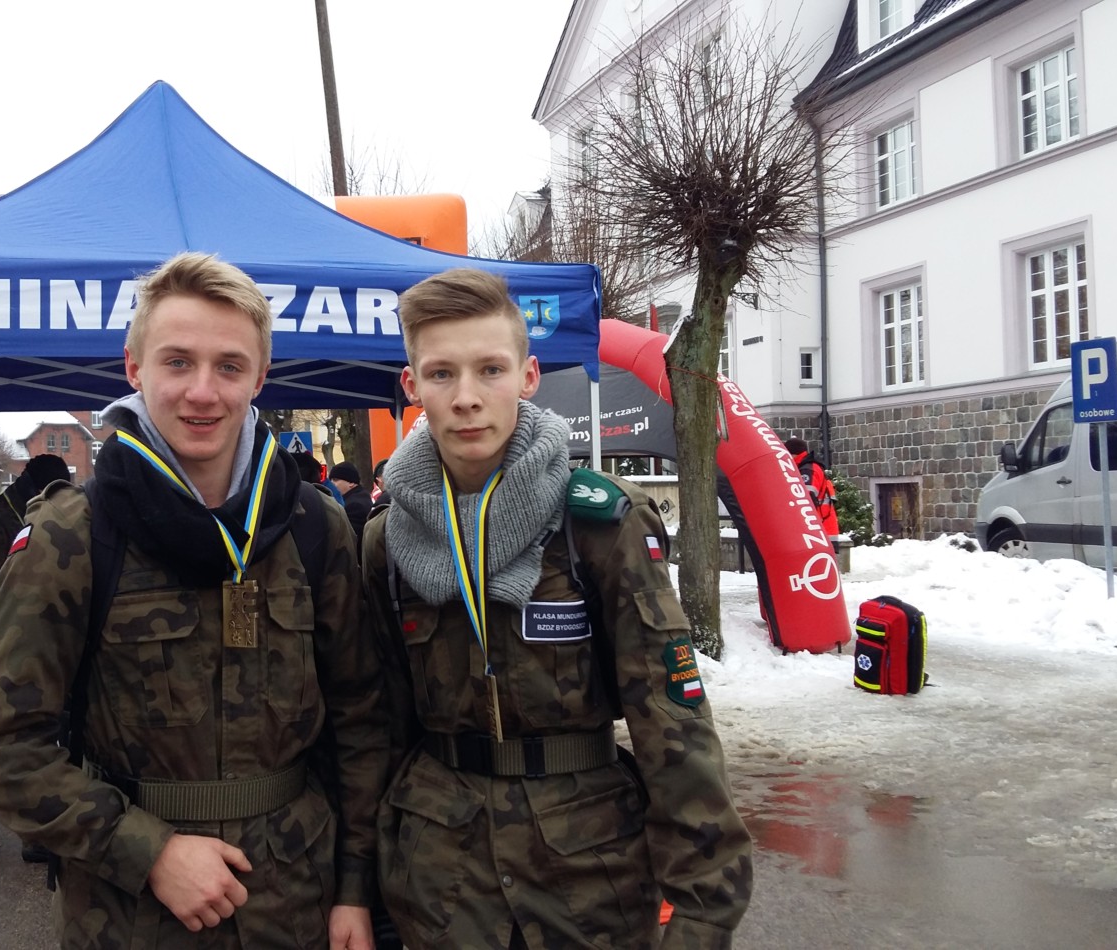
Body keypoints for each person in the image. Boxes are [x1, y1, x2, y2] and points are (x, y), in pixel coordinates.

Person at [0, 251, 390, 949]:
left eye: (229, 366)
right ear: (134, 369)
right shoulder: (73, 536)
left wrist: (354, 888)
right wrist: (148, 851)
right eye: (178, 362)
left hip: (297, 905)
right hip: (130, 916)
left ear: (260, 377)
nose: (203, 392)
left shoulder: (312, 527)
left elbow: (361, 721)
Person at [362, 268, 753, 949]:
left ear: (528, 376)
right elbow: (377, 729)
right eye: (441, 374)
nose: (466, 398)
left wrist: (704, 909)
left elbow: (670, 717)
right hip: (440, 883)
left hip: (588, 878)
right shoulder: (388, 542)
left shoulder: (598, 525)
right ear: (411, 385)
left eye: (490, 370)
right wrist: (365, 890)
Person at [0, 451, 71, 864]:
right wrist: (32, 590)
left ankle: (33, 833)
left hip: (44, 639)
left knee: (40, 736)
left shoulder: (48, 512)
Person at [784, 437, 840, 537]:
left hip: (818, 532)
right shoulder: (810, 467)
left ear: (791, 454)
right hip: (825, 529)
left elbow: (805, 501)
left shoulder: (807, 471)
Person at [329, 460, 371, 543]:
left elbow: (349, 539)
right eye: (331, 480)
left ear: (351, 482)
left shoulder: (354, 506)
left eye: (335, 480)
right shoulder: (360, 497)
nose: (331, 483)